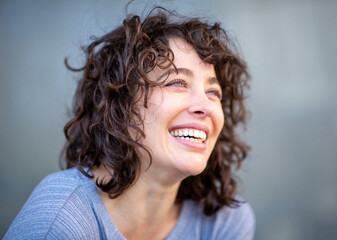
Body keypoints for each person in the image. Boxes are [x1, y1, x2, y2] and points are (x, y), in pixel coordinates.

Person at [5, 8, 255, 240]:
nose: (206, 106)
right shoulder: (59, 219)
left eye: (214, 92)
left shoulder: (225, 222)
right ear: (120, 105)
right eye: (177, 83)